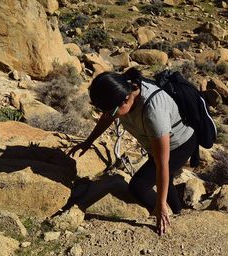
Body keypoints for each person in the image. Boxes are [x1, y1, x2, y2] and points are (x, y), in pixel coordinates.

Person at [67, 68, 197, 235]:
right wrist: (88, 141)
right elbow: (108, 115)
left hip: (179, 144)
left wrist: (160, 205)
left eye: (112, 110)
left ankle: (165, 214)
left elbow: (162, 164)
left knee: (139, 186)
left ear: (127, 99)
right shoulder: (121, 93)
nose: (108, 114)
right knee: (165, 180)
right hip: (154, 142)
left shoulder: (153, 112)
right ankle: (178, 213)